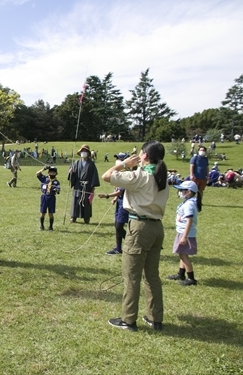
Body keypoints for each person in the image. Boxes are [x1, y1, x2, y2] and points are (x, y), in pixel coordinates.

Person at [102, 141, 170, 332]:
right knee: (152, 276)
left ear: (145, 156)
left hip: (140, 227)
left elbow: (106, 176)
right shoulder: (161, 177)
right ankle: (155, 318)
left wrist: (124, 164)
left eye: (141, 153)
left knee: (131, 276)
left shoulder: (140, 175)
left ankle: (128, 320)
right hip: (157, 228)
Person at [167, 181, 199, 286]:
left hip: (186, 234)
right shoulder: (188, 202)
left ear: (189, 192)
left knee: (183, 255)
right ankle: (181, 274)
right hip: (182, 232)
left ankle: (191, 278)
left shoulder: (189, 204)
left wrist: (184, 237)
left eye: (181, 190)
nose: (179, 192)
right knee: (182, 253)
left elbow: (189, 221)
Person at [68, 145, 100, 224]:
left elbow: (94, 175)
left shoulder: (91, 164)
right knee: (76, 200)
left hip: (87, 185)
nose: (83, 153)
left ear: (88, 153)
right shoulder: (76, 163)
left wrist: (92, 188)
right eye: (82, 151)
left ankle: (86, 218)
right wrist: (71, 173)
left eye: (85, 151)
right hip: (78, 185)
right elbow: (71, 174)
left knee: (86, 201)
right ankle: (73, 216)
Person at [36, 165, 60, 231]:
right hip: (44, 197)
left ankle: (51, 227)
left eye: (53, 172)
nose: (52, 173)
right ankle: (41, 225)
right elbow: (37, 174)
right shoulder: (44, 178)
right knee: (42, 212)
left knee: (51, 213)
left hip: (51, 197)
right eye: (50, 172)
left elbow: (58, 189)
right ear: (48, 173)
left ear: (56, 173)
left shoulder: (56, 182)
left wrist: (56, 190)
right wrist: (43, 169)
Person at [189, 145, 209, 212]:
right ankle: (191, 201)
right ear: (198, 151)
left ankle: (199, 202)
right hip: (195, 177)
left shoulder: (205, 159)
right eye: (201, 150)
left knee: (201, 191)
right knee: (193, 190)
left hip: (203, 177)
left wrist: (207, 175)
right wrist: (191, 175)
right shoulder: (195, 158)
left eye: (203, 150)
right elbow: (192, 166)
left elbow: (207, 167)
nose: (202, 151)